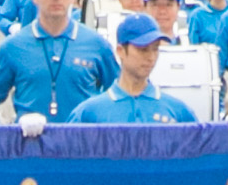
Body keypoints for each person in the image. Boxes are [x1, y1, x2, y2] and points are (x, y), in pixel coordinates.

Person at [68, 15, 197, 124]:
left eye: (155, 48)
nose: (151, 57)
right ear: (121, 51)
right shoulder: (90, 113)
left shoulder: (177, 111)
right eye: (143, 49)